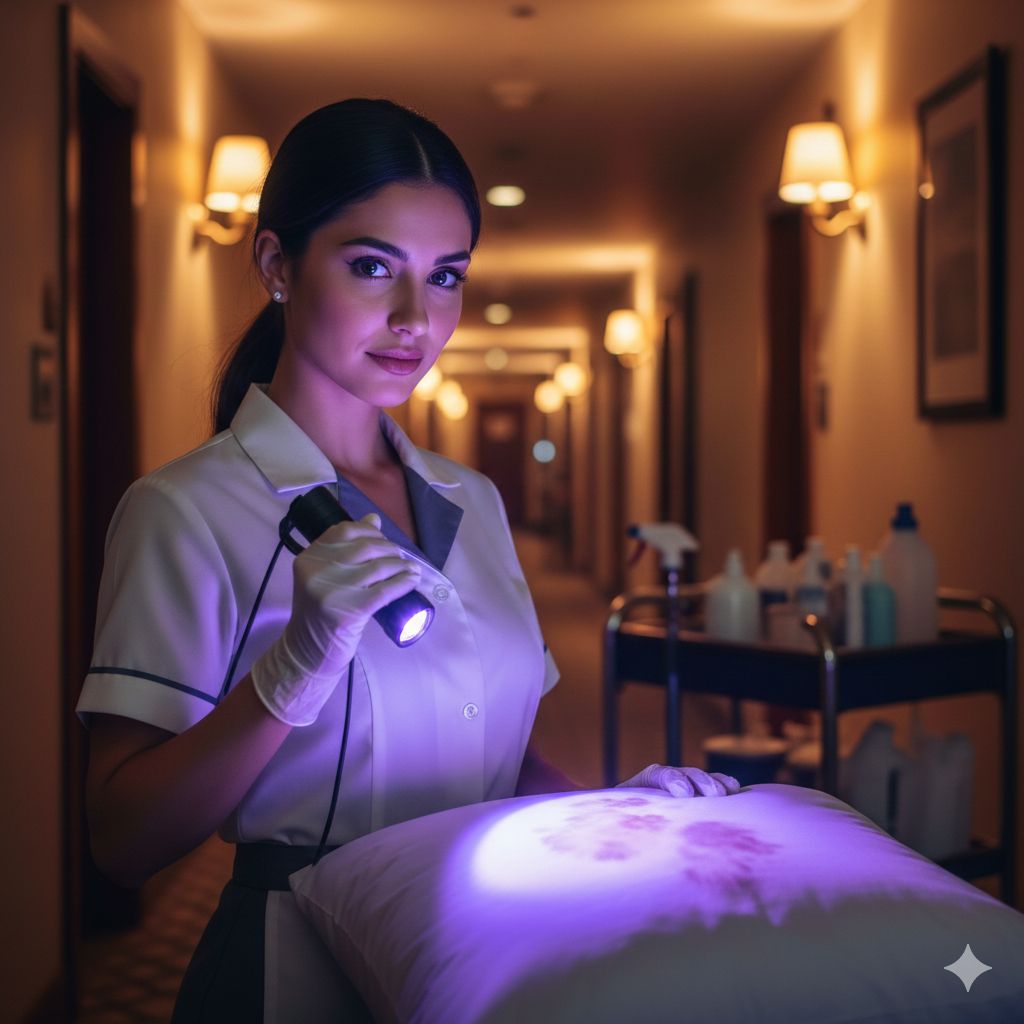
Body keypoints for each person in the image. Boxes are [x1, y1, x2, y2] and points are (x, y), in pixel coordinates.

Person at [77, 98, 739, 1023]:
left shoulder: (475, 500)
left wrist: (613, 811)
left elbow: (498, 750)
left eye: (446, 276)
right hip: (294, 974)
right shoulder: (185, 510)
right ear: (276, 263)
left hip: (483, 955)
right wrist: (286, 677)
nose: (414, 318)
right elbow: (122, 838)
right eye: (370, 266)